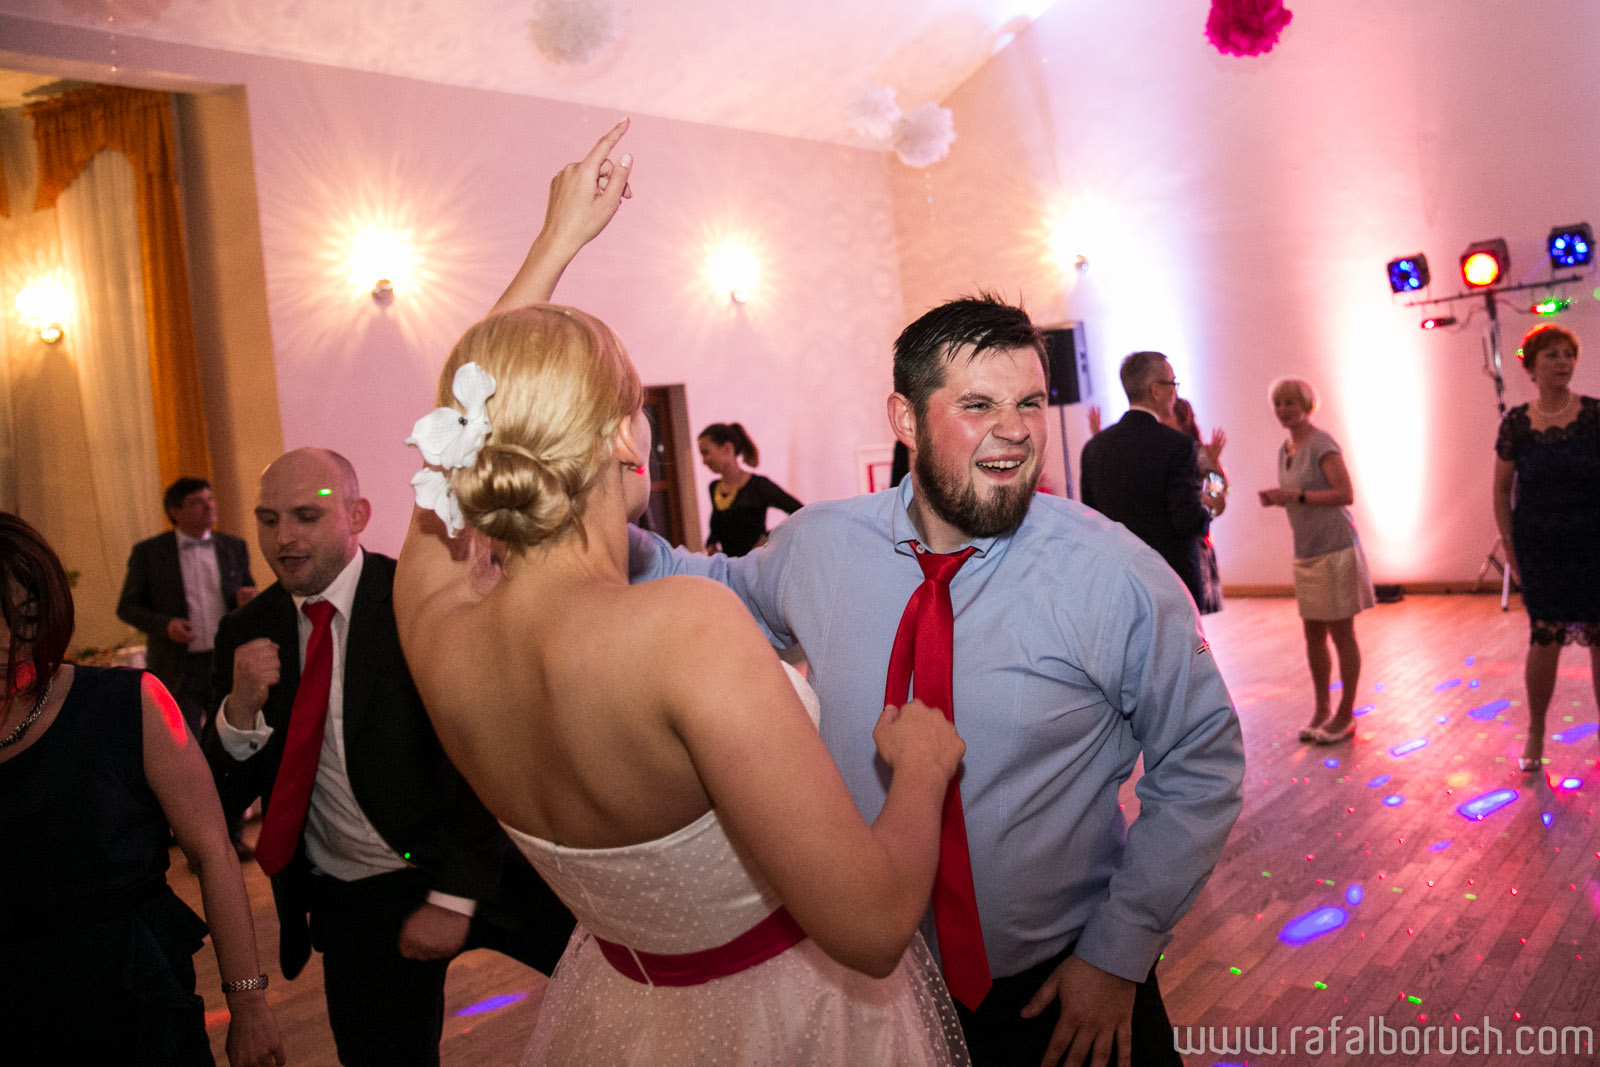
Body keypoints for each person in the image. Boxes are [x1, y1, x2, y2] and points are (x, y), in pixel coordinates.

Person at [525, 129, 1246, 1067]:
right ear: (904, 418)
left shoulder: (1114, 574)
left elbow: (1202, 761)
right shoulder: (821, 545)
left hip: (1063, 998)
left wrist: (1119, 950)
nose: (1015, 431)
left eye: (1030, 403)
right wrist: (568, 495)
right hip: (870, 1005)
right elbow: (696, 583)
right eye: (978, 405)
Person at [395, 121, 970, 1066]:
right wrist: (921, 767)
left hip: (624, 1012)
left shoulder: (432, 624)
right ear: (626, 439)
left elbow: (450, 431)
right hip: (787, 1021)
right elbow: (871, 929)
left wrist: (553, 245)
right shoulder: (683, 630)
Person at [201, 448, 575, 1067]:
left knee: (623, 989)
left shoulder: (419, 600)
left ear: (358, 515)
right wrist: (239, 711)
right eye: (268, 520)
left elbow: (493, 750)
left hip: (480, 857)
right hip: (358, 895)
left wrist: (453, 897)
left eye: (306, 516)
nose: (284, 537)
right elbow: (216, 801)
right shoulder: (247, 632)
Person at [1, 511, 284, 1067]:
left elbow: (213, 851)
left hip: (128, 1004)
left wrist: (249, 1004)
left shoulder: (127, 703)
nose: (12, 638)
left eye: (23, 615)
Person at [1491, 323, 1600, 773]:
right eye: (1552, 355)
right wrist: (1510, 549)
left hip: (1592, 542)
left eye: (1568, 355)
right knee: (1544, 636)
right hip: (1541, 546)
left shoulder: (1594, 415)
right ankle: (1536, 729)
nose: (1562, 363)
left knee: (1599, 635)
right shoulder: (1517, 423)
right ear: (1531, 366)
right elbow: (1501, 490)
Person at [1257, 377, 1375, 745]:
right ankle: (1322, 709)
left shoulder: (1322, 444)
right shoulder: (1285, 448)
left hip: (1335, 548)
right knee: (1313, 635)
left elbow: (1345, 493)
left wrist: (1295, 496)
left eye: (1290, 402)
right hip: (1306, 550)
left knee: (1342, 633)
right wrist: (1282, 498)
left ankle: (1346, 713)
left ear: (1307, 405)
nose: (1283, 410)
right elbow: (1299, 495)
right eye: (1279, 403)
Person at [117, 477, 257, 739]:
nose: (209, 506)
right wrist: (166, 625)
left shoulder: (233, 546)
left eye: (210, 498)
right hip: (178, 665)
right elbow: (127, 607)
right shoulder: (150, 552)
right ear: (175, 511)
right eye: (196, 502)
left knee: (228, 736)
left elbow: (247, 591)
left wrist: (247, 599)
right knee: (185, 740)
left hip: (224, 658)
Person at [1080, 351, 1214, 610]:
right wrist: (1208, 509)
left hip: (1119, 582)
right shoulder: (1177, 445)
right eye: (1173, 383)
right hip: (1171, 580)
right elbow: (1186, 521)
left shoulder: (1095, 447)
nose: (1175, 392)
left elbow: (1093, 521)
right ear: (1156, 391)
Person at [697, 422, 803, 556]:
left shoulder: (758, 486)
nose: (704, 461)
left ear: (727, 448)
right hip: (730, 565)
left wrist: (767, 538)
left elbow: (798, 510)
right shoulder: (714, 488)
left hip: (756, 564)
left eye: (705, 453)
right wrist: (711, 543)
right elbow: (718, 526)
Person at [1172, 397, 1228, 614]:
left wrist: (1214, 465)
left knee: (1192, 609)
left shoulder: (1195, 450)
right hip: (1176, 533)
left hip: (1192, 535)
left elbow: (1218, 494)